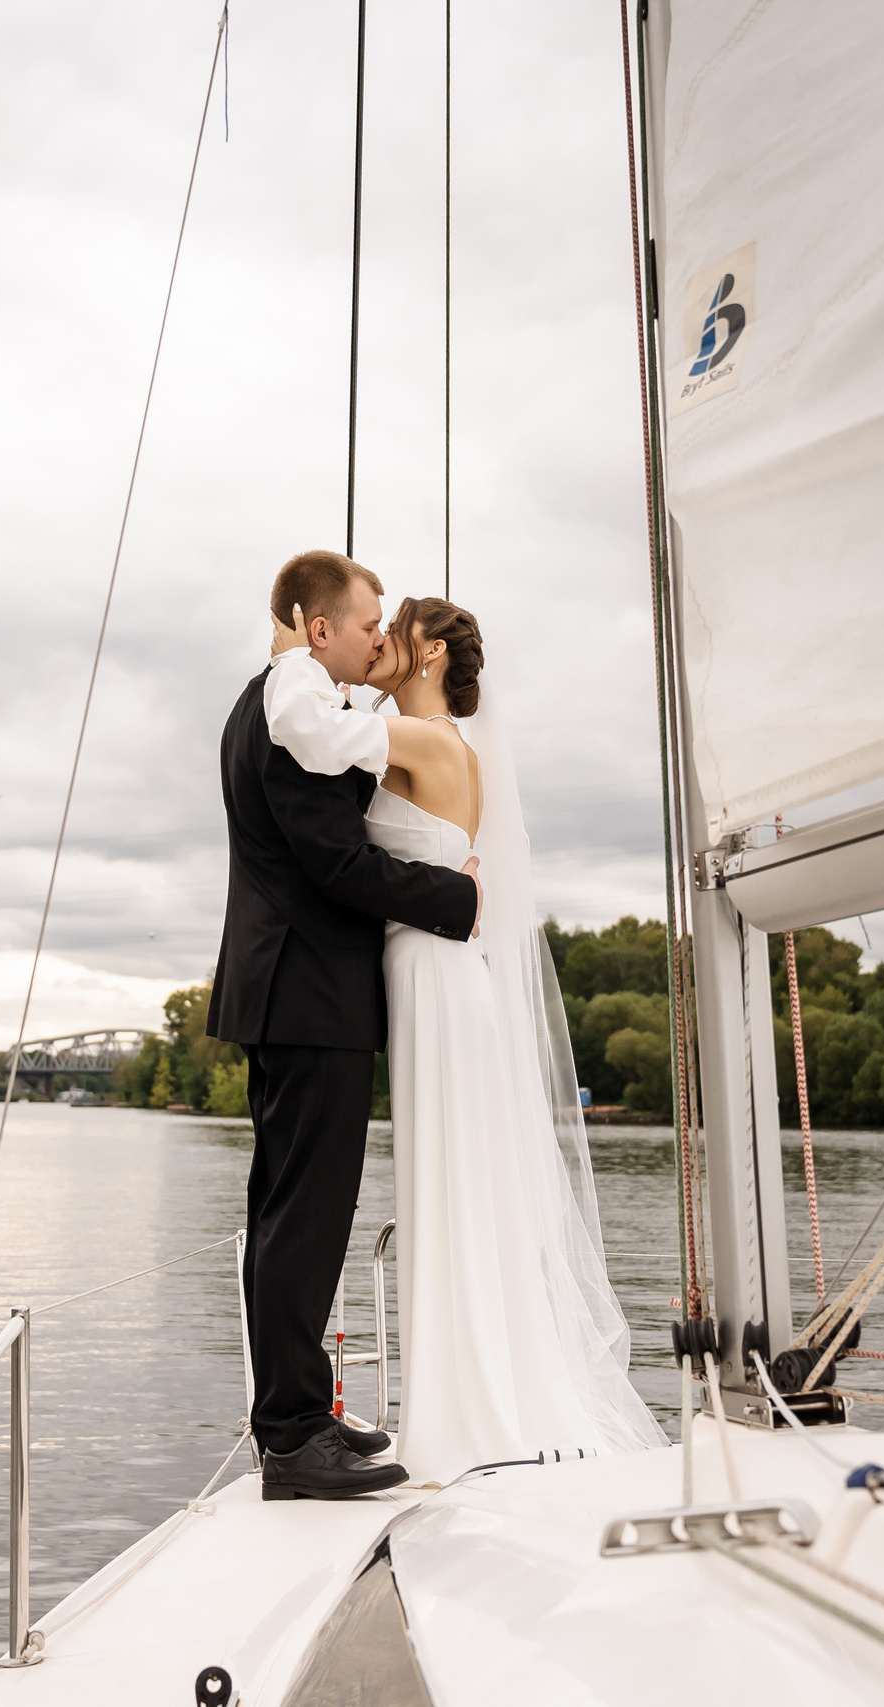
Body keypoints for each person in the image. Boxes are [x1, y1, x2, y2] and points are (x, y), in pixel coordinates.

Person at [263, 590, 665, 1482]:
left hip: (433, 979)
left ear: (434, 652)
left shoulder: (429, 740)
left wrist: (296, 647)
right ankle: (466, 1397)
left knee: (449, 1183)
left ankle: (467, 1412)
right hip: (435, 973)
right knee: (456, 1185)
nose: (382, 642)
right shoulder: (443, 743)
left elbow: (308, 730)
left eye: (396, 630)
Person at [209, 549, 482, 1501]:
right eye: (367, 621)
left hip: (292, 992)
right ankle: (290, 1437)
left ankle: (304, 1411)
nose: (378, 635)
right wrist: (454, 899)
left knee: (293, 1214)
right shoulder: (294, 722)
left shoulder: (278, 707)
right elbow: (337, 868)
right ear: (318, 627)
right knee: (304, 1219)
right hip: (308, 994)